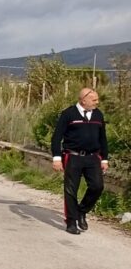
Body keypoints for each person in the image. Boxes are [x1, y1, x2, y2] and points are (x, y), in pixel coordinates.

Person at [51, 87, 108, 235]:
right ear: (83, 100)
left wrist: (105, 158)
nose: (97, 102)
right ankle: (71, 221)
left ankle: (81, 211)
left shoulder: (98, 115)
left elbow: (103, 139)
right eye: (94, 100)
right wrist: (56, 157)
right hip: (73, 156)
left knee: (97, 186)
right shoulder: (68, 114)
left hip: (92, 157)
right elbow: (57, 137)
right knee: (71, 190)